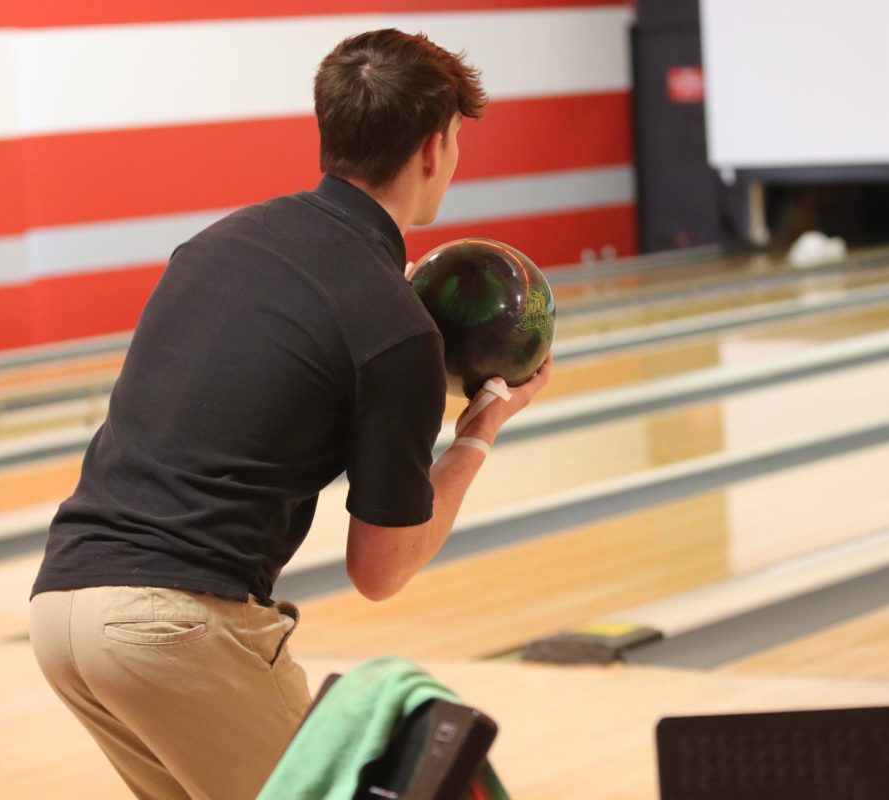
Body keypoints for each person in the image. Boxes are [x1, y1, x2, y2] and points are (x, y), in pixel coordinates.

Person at [28, 28, 552, 800]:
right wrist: (479, 431)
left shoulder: (215, 244)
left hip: (62, 611)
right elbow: (381, 569)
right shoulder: (395, 330)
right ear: (433, 151)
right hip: (173, 626)